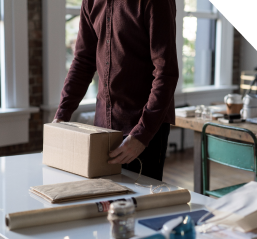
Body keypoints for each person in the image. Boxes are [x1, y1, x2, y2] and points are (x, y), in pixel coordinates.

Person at [53, 0, 179, 181]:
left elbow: (166, 73)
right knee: (104, 203)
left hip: (144, 128)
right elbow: (83, 62)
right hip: (102, 129)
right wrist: (61, 117)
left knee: (140, 205)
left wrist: (142, 135)